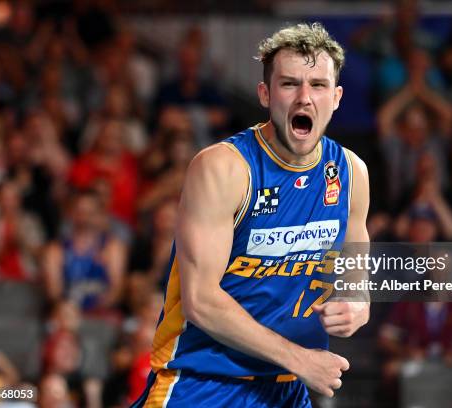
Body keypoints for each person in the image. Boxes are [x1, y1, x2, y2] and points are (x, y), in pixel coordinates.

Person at [132, 23, 370, 407]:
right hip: (203, 381)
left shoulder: (351, 172)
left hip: (286, 384)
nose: (305, 98)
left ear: (337, 96)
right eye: (290, 84)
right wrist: (301, 359)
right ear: (265, 93)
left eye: (319, 85)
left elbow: (356, 256)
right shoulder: (223, 168)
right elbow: (201, 301)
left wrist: (358, 301)